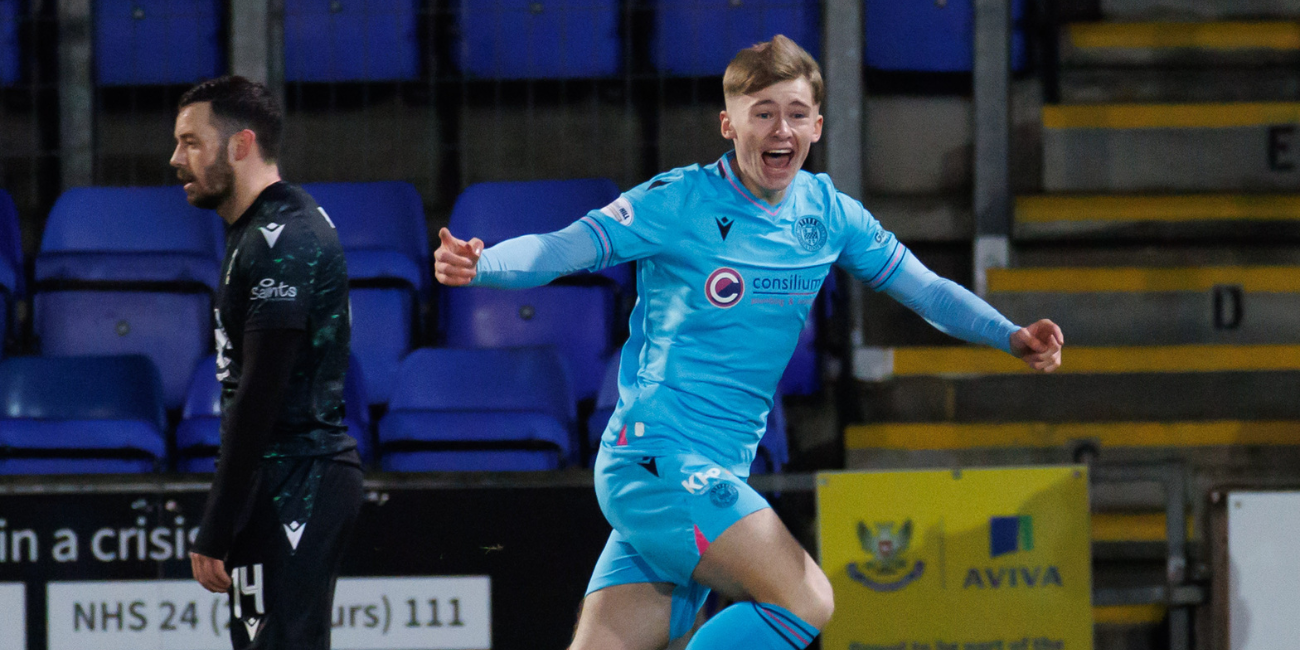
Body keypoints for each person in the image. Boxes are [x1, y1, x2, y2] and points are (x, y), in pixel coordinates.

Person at [435, 36, 1063, 650]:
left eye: (795, 114)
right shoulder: (677, 200)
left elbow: (925, 289)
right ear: (728, 125)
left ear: (817, 126)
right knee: (805, 600)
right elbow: (564, 246)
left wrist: (1008, 334)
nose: (780, 130)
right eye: (762, 114)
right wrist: (482, 264)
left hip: (716, 467)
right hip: (656, 460)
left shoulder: (830, 214)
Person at [171, 75, 363, 650]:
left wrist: (217, 520)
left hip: (300, 478)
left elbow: (261, 391)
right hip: (275, 478)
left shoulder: (284, 238)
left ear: (240, 144)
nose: (175, 158)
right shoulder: (257, 230)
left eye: (191, 142)